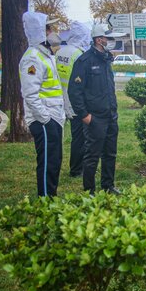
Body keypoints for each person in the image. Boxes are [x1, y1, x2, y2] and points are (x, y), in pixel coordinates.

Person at [68, 23, 125, 195]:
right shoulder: (84, 61)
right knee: (92, 156)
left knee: (110, 154)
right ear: (99, 39)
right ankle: (89, 191)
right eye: (108, 38)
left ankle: (108, 186)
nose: (110, 41)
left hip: (110, 115)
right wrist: (84, 115)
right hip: (95, 118)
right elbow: (74, 91)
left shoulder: (106, 59)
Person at [19, 11, 64, 197]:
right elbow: (30, 95)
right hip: (44, 120)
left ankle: (51, 197)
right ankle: (45, 201)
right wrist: (46, 119)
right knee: (47, 161)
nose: (52, 31)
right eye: (48, 28)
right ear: (40, 31)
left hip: (54, 117)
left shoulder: (46, 55)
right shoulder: (32, 58)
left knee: (55, 160)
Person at [56, 21, 91, 178]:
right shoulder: (79, 55)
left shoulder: (60, 52)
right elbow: (82, 82)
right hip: (75, 103)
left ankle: (58, 166)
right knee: (79, 138)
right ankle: (76, 169)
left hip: (59, 101)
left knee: (59, 137)